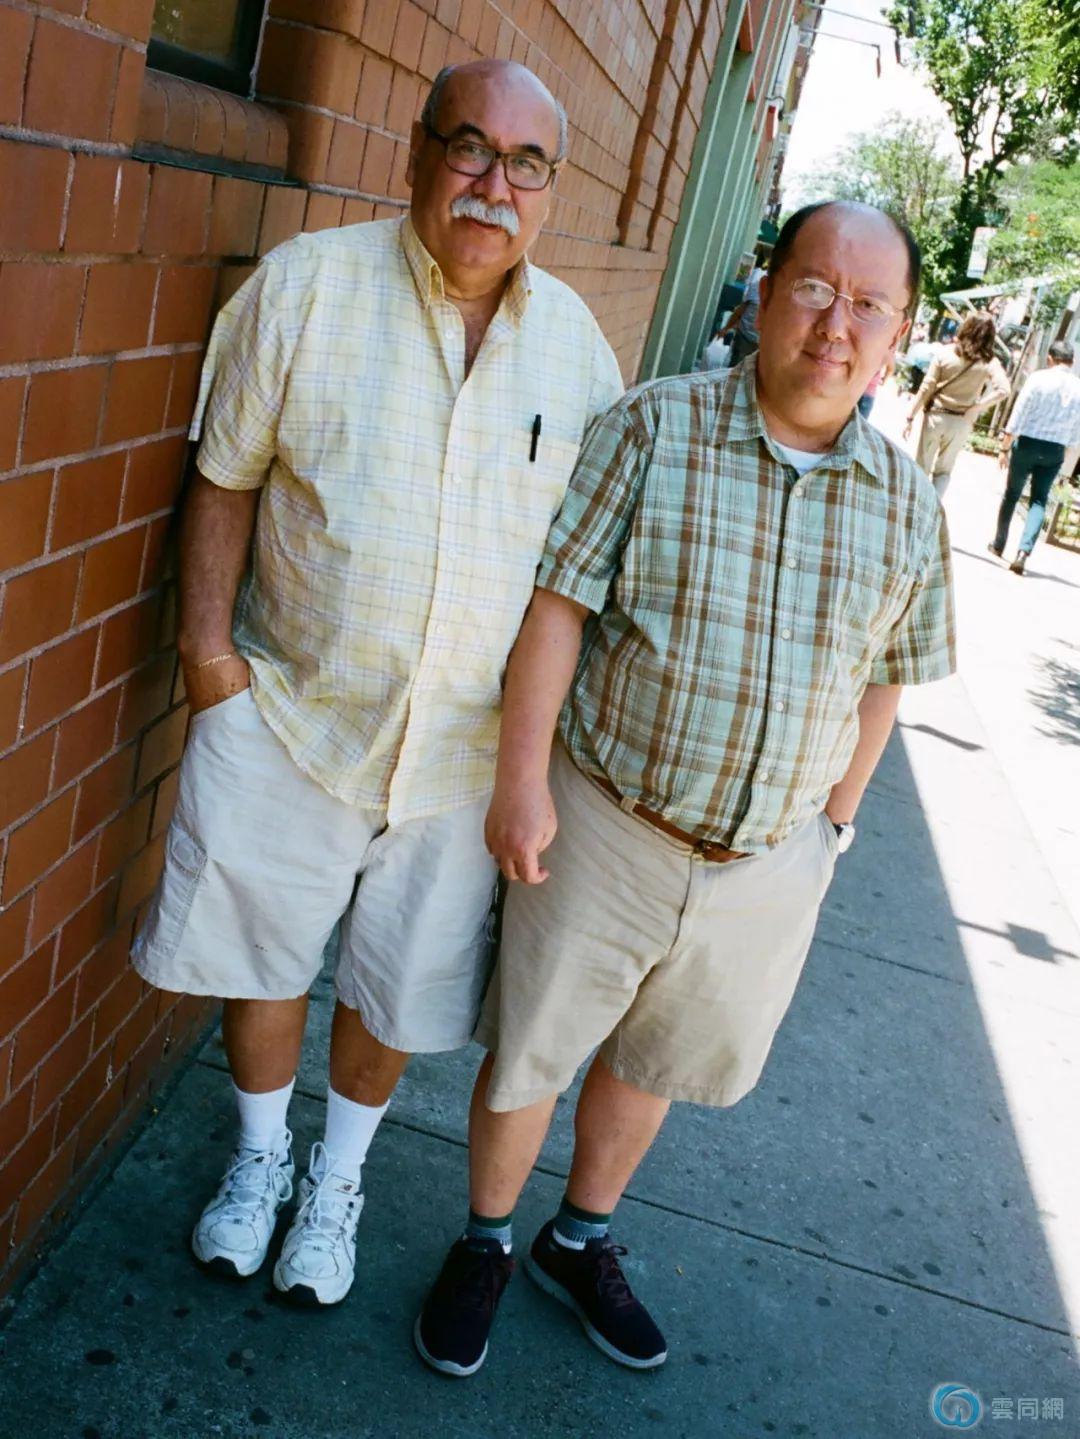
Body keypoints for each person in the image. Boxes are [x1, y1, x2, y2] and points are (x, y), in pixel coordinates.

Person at [413, 200, 956, 1376]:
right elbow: (558, 606)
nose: (837, 324)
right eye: (816, 287)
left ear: (900, 332)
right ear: (765, 292)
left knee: (654, 1057)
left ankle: (578, 1235)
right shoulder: (653, 425)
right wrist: (522, 779)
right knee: (532, 1050)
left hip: (765, 859)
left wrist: (833, 829)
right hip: (605, 821)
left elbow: (888, 679)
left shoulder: (911, 505)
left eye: (870, 304)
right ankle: (485, 1239)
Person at [130, 59, 622, 1307]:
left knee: (395, 986)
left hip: (462, 757)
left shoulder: (578, 350)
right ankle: (258, 1158)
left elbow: (580, 572)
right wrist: (208, 662)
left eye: (525, 163)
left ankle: (335, 1182)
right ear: (417, 150)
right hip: (294, 713)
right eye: (470, 147)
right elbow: (225, 477)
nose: (493, 183)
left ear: (551, 188)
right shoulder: (307, 286)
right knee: (261, 958)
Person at [989, 339, 1080, 573]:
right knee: (1039, 500)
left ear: (1050, 358)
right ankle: (1023, 552)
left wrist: (1005, 446)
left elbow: (1019, 411)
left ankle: (999, 543)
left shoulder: (1038, 378)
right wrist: (1065, 457)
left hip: (1027, 444)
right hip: (1055, 450)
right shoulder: (1078, 387)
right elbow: (1076, 430)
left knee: (1012, 494)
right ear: (1072, 361)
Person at [903, 313, 1010, 496]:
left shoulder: (945, 353)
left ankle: (915, 503)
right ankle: (933, 507)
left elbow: (927, 387)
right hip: (961, 422)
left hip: (935, 417)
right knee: (944, 471)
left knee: (922, 466)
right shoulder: (989, 362)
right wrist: (977, 407)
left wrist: (910, 416)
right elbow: (1004, 389)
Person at [720, 255, 768, 363]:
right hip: (745, 338)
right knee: (737, 366)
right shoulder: (758, 286)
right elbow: (741, 309)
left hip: (761, 344)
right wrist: (726, 328)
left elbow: (741, 310)